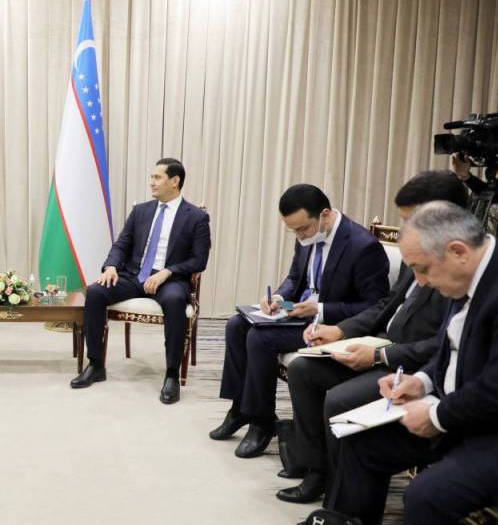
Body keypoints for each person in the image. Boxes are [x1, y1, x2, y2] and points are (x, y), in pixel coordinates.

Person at [287, 201, 498, 525]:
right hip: (455, 409)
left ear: (458, 251)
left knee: (427, 495)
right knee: (360, 441)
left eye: (423, 270)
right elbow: (448, 348)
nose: (420, 282)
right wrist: (421, 383)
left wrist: (437, 415)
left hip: (494, 430)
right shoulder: (464, 276)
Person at [279, 171, 466, 504]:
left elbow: (445, 343)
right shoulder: (417, 251)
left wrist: (381, 356)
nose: (406, 229)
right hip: (378, 342)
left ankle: (341, 496)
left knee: (339, 400)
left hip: (406, 361)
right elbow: (387, 304)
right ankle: (316, 469)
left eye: (412, 220)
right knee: (303, 369)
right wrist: (342, 330)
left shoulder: (458, 266)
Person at [212, 184, 390, 458]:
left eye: (303, 229)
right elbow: (295, 277)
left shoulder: (363, 246)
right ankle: (240, 408)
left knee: (260, 338)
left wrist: (321, 309)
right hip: (297, 313)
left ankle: (262, 422)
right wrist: (278, 298)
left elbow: (375, 306)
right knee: (236, 325)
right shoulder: (307, 234)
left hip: (328, 325)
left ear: (325, 214)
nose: (299, 235)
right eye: (293, 230)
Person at [69, 157, 211, 404]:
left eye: (157, 177)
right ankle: (96, 364)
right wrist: (111, 266)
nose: (151, 182)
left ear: (175, 181)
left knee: (175, 302)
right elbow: (122, 244)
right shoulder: (141, 211)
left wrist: (168, 271)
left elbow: (199, 260)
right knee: (96, 292)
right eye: (151, 177)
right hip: (135, 276)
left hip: (170, 280)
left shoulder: (196, 217)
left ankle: (171, 374)